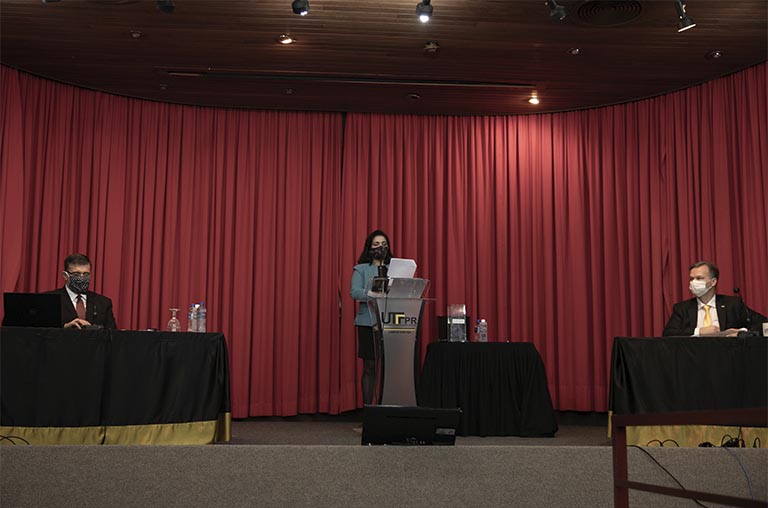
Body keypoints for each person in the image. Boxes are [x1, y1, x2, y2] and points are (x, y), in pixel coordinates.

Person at [662, 260, 766, 337]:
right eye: (691, 279)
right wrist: (699, 331)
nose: (693, 282)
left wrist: (741, 332)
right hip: (694, 359)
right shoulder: (682, 308)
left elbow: (763, 324)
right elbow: (668, 333)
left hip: (728, 357)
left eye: (699, 278)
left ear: (713, 282)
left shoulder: (732, 304)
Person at [350, 230, 393, 405]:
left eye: (383, 244)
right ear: (369, 248)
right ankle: (368, 412)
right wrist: (372, 293)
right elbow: (354, 292)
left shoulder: (394, 269)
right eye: (376, 244)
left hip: (391, 321)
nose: (380, 248)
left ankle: (386, 409)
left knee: (389, 367)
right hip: (367, 322)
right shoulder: (361, 269)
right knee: (370, 366)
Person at [46, 253, 117, 330]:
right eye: (77, 274)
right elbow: (39, 333)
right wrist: (65, 327)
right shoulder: (49, 300)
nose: (81, 278)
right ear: (65, 275)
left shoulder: (103, 303)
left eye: (86, 274)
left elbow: (113, 335)